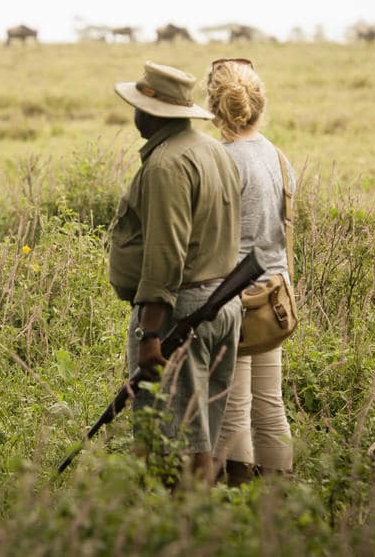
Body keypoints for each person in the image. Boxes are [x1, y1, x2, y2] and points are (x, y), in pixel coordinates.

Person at [108, 61, 243, 484]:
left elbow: (165, 256)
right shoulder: (211, 149)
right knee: (197, 432)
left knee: (177, 442)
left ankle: (184, 531)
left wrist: (150, 335)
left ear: (150, 113)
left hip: (180, 310)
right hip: (221, 302)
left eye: (137, 105)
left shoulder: (167, 164)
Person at [205, 57, 295, 485]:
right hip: (276, 300)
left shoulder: (220, 161)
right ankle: (277, 498)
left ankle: (237, 502)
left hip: (235, 301)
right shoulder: (279, 157)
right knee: (270, 404)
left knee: (233, 409)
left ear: (214, 109)